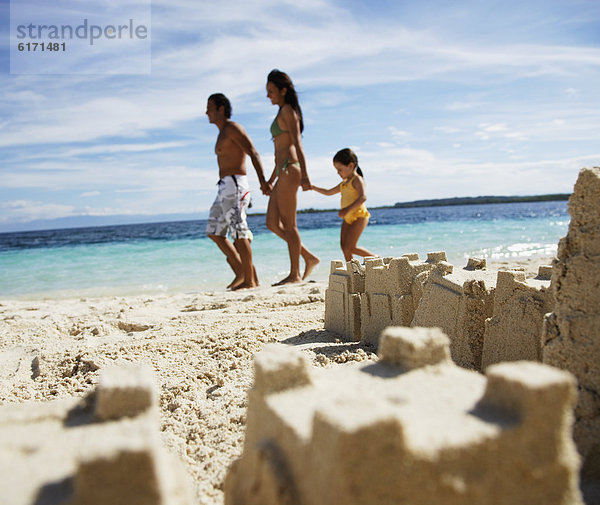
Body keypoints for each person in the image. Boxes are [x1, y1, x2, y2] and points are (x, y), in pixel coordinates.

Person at [205, 93, 270, 290]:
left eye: (210, 107)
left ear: (221, 109)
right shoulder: (221, 133)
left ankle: (250, 281)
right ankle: (242, 272)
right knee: (214, 231)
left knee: (239, 232)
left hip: (236, 184)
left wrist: (263, 182)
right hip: (224, 186)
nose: (206, 112)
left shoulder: (233, 128)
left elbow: (253, 152)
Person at [265, 69, 319, 285]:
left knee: (289, 225)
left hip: (291, 169)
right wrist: (270, 178)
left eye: (271, 91)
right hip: (282, 171)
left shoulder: (288, 111)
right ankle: (308, 257)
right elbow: (280, 151)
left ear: (283, 90)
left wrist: (305, 175)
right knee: (271, 222)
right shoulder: (281, 111)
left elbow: (297, 144)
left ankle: (295, 274)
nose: (268, 95)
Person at [311, 148, 376, 261]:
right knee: (344, 247)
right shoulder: (344, 184)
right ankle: (353, 271)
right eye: (337, 170)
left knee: (351, 247)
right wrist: (313, 187)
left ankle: (375, 258)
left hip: (359, 216)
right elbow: (328, 192)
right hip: (348, 218)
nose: (338, 173)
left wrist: (346, 210)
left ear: (351, 165)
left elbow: (363, 197)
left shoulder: (357, 180)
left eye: (340, 169)